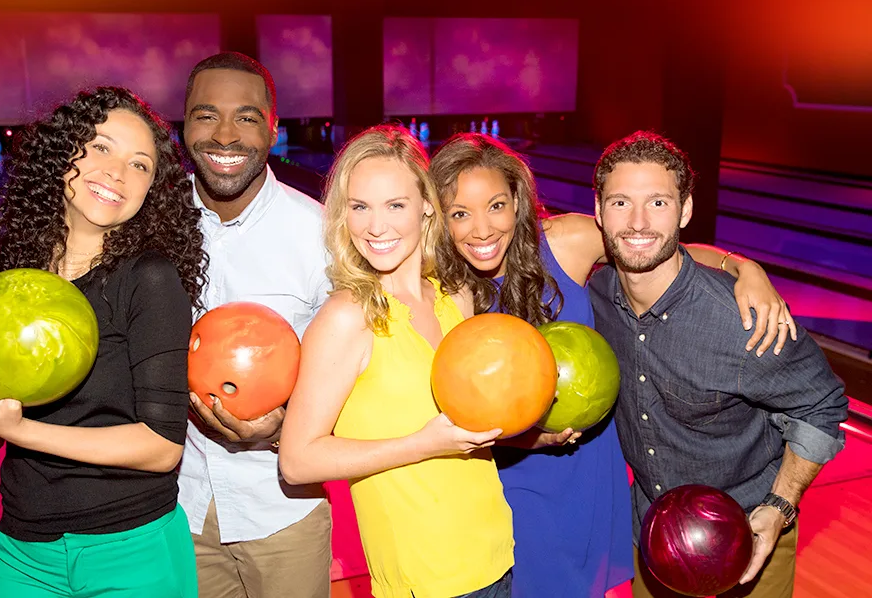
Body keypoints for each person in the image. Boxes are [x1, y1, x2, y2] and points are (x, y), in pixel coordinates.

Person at [429, 133, 796, 598]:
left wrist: (743, 268)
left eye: (496, 206)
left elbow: (653, 249)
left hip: (586, 465)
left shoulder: (567, 242)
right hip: (509, 474)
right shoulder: (439, 290)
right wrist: (529, 438)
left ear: (518, 202)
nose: (481, 229)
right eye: (460, 213)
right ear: (439, 218)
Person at [0, 86, 206, 597]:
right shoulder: (13, 278)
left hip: (132, 551)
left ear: (151, 190)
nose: (117, 172)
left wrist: (21, 430)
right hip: (24, 554)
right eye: (101, 147)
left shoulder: (149, 280)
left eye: (141, 165)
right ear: (66, 150)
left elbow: (161, 447)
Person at [587, 130, 848, 598]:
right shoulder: (596, 297)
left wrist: (779, 506)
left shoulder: (744, 321)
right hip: (651, 535)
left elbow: (823, 406)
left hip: (750, 533)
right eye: (621, 202)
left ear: (685, 210)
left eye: (659, 203)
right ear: (599, 211)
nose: (639, 221)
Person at [278, 125, 515, 598]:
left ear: (427, 205)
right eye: (359, 207)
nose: (375, 226)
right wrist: (422, 444)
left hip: (496, 550)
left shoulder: (456, 296)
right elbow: (297, 460)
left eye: (395, 205)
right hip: (424, 576)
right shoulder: (348, 316)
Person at [176, 52, 333, 598]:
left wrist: (283, 429)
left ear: (272, 127)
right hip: (178, 509)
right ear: (184, 124)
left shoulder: (319, 235)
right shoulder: (150, 227)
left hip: (281, 511)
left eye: (245, 116)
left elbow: (353, 376)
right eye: (205, 114)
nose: (224, 134)